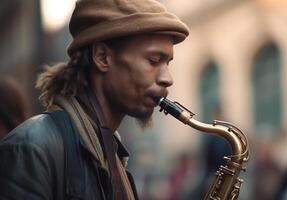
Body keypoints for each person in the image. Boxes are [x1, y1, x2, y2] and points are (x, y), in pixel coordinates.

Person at [0, 0, 189, 199]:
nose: (168, 79)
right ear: (102, 56)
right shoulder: (30, 148)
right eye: (153, 61)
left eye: (167, 63)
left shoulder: (113, 154)